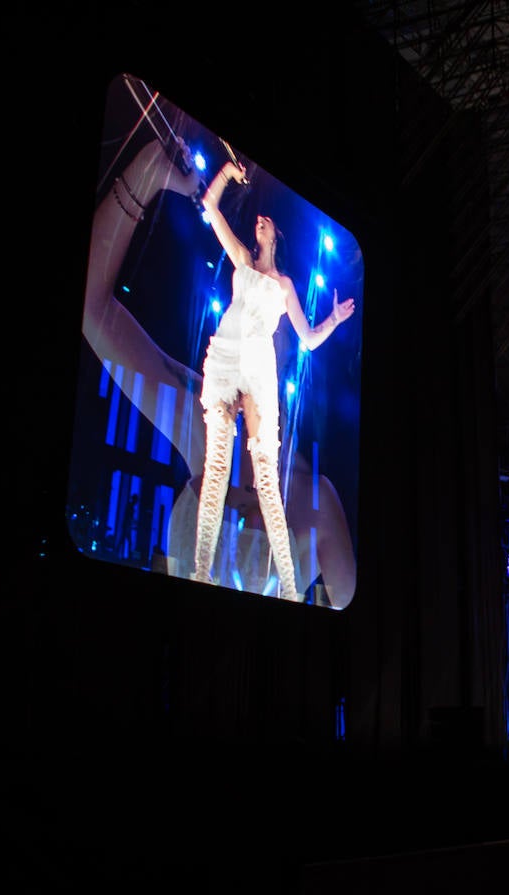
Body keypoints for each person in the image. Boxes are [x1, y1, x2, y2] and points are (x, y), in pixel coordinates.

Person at [81, 127, 359, 608]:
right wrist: (148, 173)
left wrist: (332, 320)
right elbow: (91, 311)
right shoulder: (202, 418)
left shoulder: (319, 499)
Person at [190, 158, 355, 601]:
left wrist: (335, 320)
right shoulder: (241, 260)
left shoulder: (284, 285)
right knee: (217, 471)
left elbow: (308, 339)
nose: (260, 221)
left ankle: (287, 587)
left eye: (267, 222)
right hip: (226, 357)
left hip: (258, 369)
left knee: (266, 480)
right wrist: (227, 173)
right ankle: (201, 573)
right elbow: (210, 206)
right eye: (259, 219)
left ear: (275, 237)